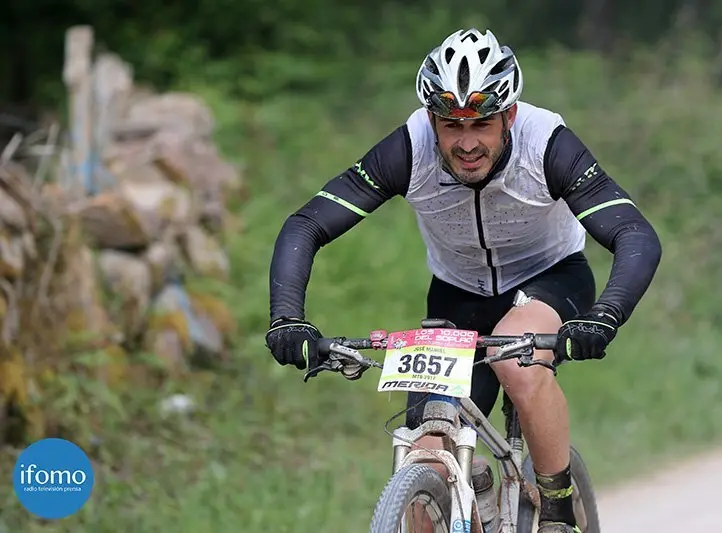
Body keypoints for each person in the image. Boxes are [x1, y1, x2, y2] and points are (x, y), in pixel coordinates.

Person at [265, 28, 662, 533]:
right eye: (452, 125)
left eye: (482, 124)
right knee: (428, 458)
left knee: (515, 361)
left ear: (509, 116)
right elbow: (307, 224)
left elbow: (634, 233)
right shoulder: (409, 149)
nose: (467, 143)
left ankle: (558, 506)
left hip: (550, 278)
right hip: (457, 295)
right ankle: (460, 496)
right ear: (432, 120)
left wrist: (605, 316)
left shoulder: (546, 144)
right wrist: (287, 319)